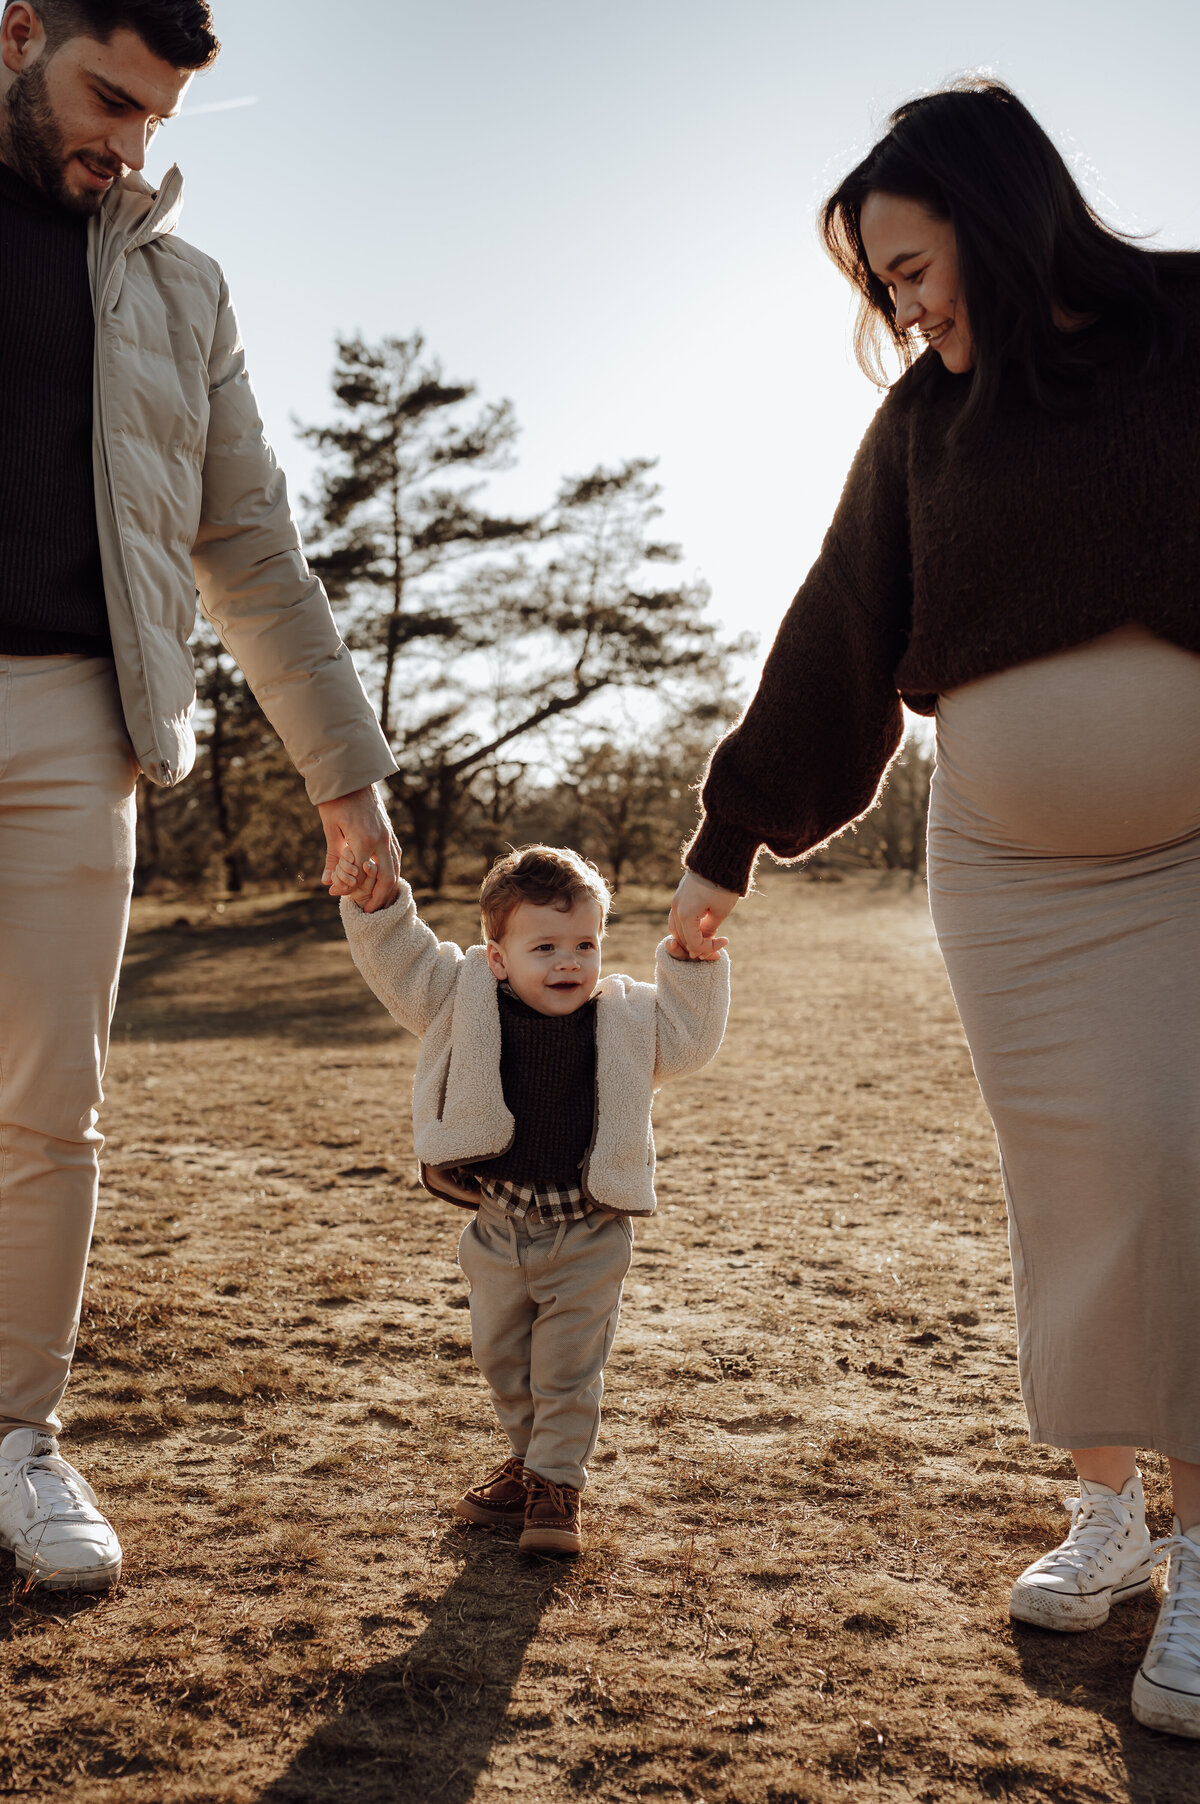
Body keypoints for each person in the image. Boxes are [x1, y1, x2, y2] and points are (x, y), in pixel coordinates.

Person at [670, 77, 1200, 1737]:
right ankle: (1109, 1511)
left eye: (907, 266)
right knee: (1079, 1178)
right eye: (877, 287)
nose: (897, 308)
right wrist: (725, 839)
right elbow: (839, 631)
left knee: (1187, 1157)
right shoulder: (921, 427)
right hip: (1016, 879)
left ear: (993, 208)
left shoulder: (1189, 321)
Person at [0, 0, 402, 1592]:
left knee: (47, 1107)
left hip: (72, 721)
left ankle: (19, 1440)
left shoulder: (180, 289)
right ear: (17, 32)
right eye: (108, 95)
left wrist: (349, 779)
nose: (128, 141)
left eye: (156, 118)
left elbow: (249, 551)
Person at [336, 844, 729, 1554]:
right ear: (497, 957)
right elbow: (405, 966)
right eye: (544, 946)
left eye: (585, 944)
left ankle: (556, 1489)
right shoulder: (465, 1000)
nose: (568, 962)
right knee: (501, 1360)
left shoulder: (624, 1021)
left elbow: (690, 1042)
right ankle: (529, 1466)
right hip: (498, 1229)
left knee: (566, 1367)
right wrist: (378, 906)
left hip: (586, 1231)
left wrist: (692, 963)